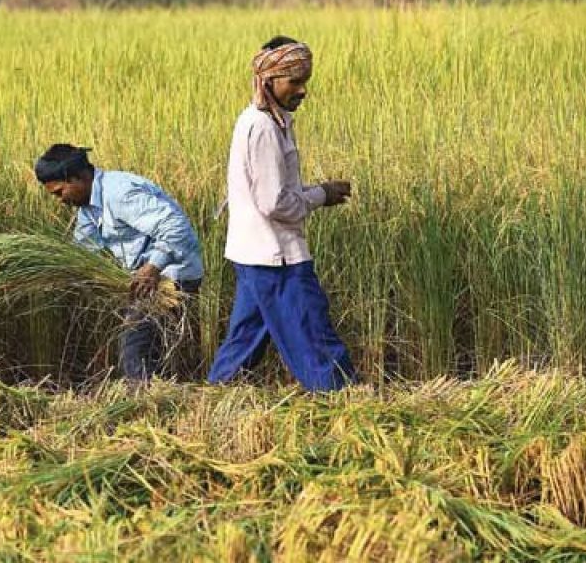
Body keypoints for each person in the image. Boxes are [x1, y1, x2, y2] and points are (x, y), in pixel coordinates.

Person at [207, 36, 356, 392]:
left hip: (254, 252)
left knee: (246, 337)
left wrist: (320, 191)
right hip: (276, 256)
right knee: (311, 330)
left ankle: (215, 395)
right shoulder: (261, 127)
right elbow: (274, 203)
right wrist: (320, 195)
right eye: (295, 81)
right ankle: (344, 401)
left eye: (306, 80)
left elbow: (275, 193)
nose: (302, 90)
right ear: (269, 80)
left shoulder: (272, 120)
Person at [35, 143, 204, 384]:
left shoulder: (120, 194)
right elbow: (83, 251)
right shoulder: (88, 208)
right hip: (145, 280)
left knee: (134, 348)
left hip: (171, 276)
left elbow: (176, 226)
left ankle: (145, 405)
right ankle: (159, 395)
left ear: (79, 177)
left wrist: (152, 268)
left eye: (60, 192)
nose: (60, 200)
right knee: (142, 346)